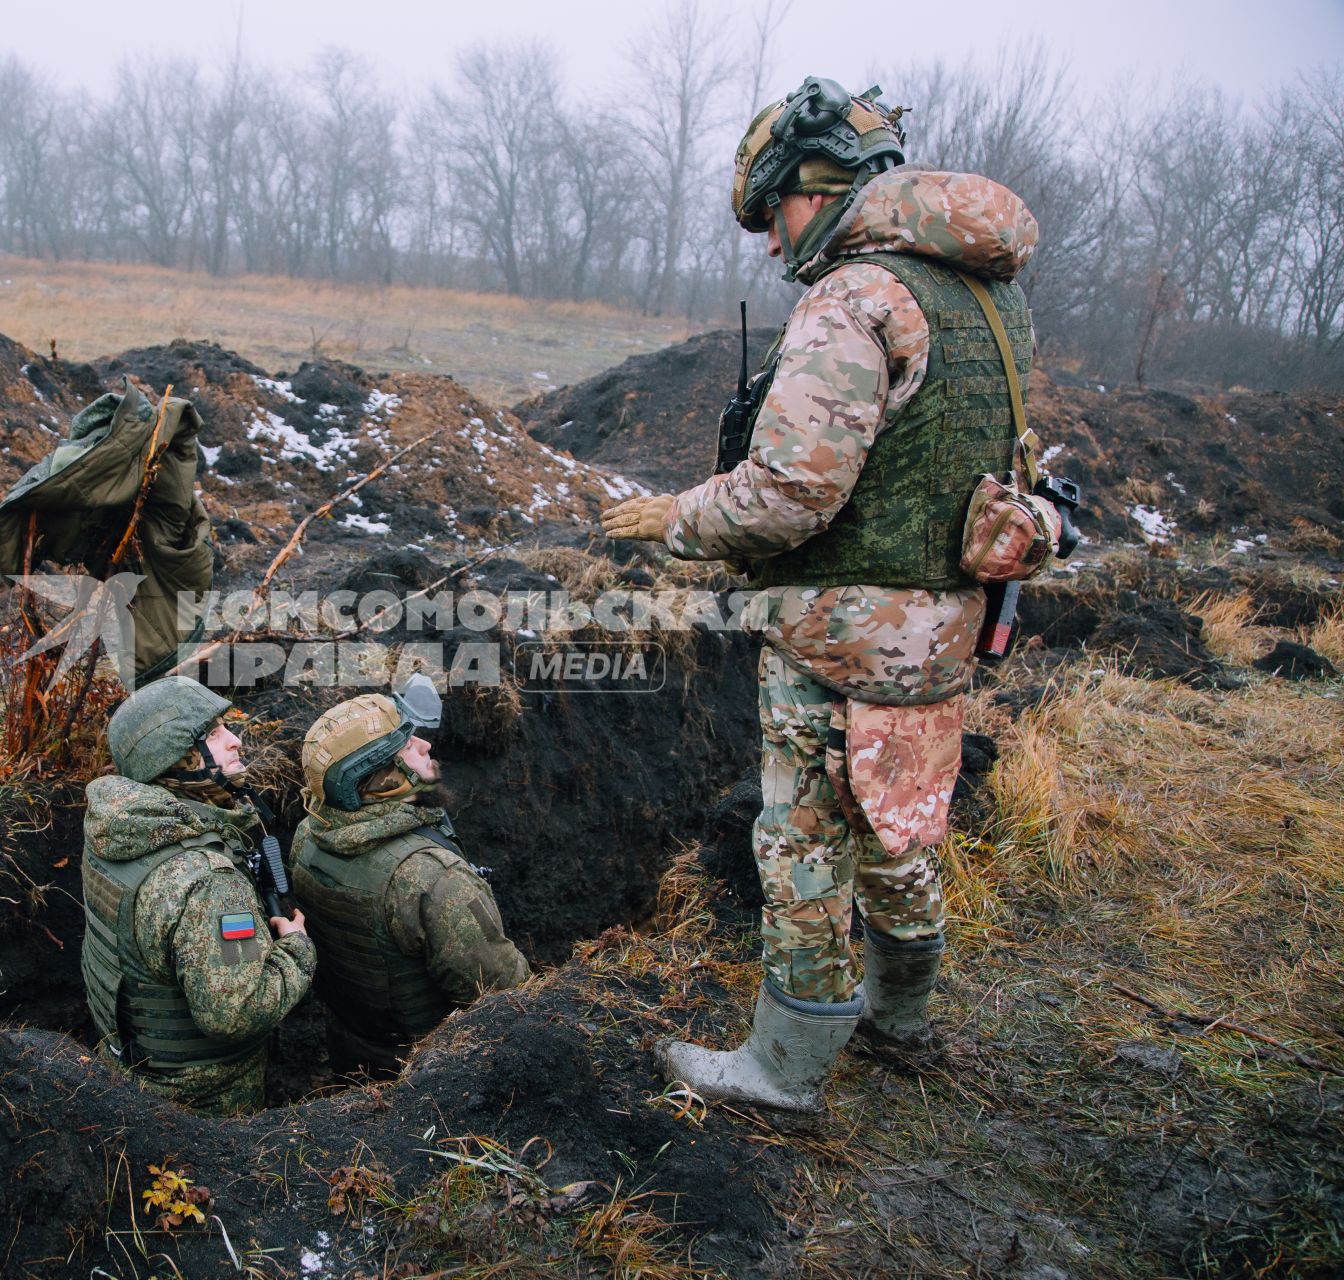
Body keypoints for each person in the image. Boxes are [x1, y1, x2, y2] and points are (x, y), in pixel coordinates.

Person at [601, 76, 1041, 1111]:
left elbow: (786, 494)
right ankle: (902, 1022)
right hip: (943, 628)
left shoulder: (855, 297)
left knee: (802, 839)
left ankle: (784, 1068)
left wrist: (673, 518)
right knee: (904, 820)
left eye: (771, 213)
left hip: (841, 635)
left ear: (816, 185)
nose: (767, 242)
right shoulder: (990, 295)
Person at [81, 675, 315, 1115]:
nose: (236, 741)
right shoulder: (209, 883)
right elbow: (237, 1014)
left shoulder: (119, 829)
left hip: (128, 1075)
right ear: (174, 758)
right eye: (212, 734)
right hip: (205, 1104)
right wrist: (296, 950)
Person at [288, 676, 530, 1075]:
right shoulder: (433, 878)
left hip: (352, 1050)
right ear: (383, 777)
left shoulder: (308, 838)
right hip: (428, 1074)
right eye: (407, 745)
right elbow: (507, 997)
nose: (426, 745)